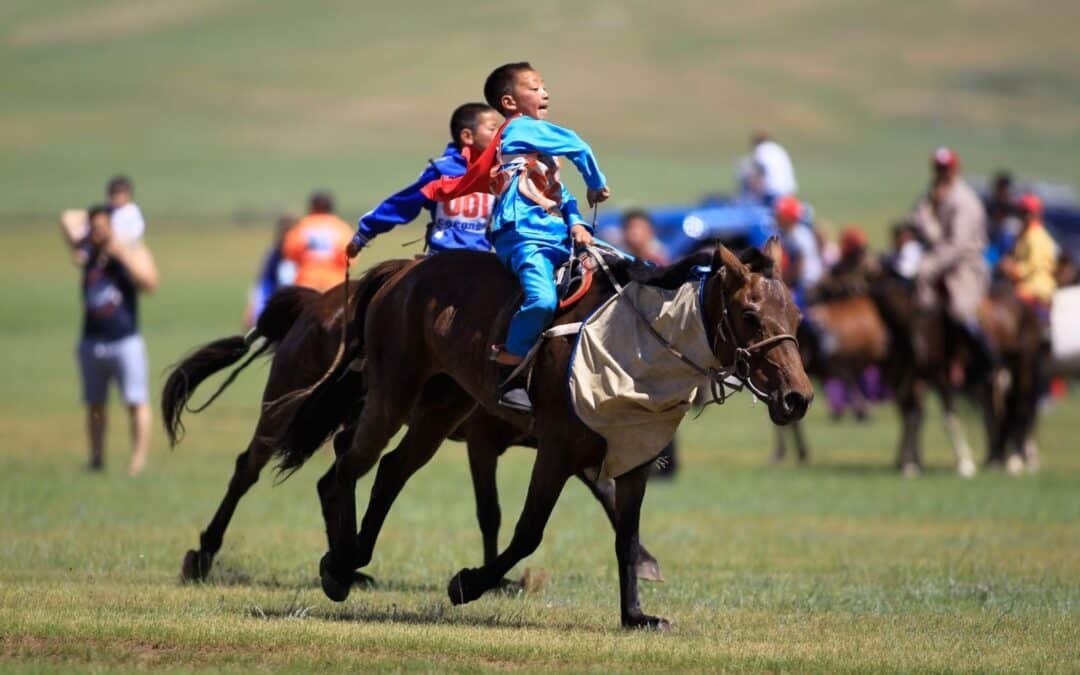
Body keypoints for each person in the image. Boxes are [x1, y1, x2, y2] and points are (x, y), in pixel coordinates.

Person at [420, 62, 609, 413]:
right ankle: (511, 370)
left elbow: (559, 193)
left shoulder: (535, 151)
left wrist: (577, 223)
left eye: (544, 86)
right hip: (524, 237)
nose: (545, 93)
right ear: (510, 102)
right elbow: (579, 146)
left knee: (622, 270)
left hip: (559, 238)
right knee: (541, 301)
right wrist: (596, 185)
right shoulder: (519, 130)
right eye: (535, 88)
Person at [347, 103, 501, 257]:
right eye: (493, 129)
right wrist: (364, 234)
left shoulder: (499, 170)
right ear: (467, 136)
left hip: (483, 257)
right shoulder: (440, 170)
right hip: (440, 257)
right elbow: (403, 204)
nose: (500, 135)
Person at [73, 205, 159, 475]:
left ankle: (138, 461)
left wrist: (122, 254)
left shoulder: (129, 253)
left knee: (136, 401)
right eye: (94, 227)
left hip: (125, 340)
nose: (98, 232)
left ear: (112, 227)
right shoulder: (88, 254)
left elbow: (150, 283)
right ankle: (96, 459)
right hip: (91, 340)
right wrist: (89, 237)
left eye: (102, 227)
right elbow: (67, 218)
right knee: (95, 405)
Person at [908, 147, 993, 369]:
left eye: (945, 168)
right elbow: (918, 220)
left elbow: (957, 244)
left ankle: (987, 359)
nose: (941, 172)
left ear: (955, 169)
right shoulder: (934, 195)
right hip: (940, 257)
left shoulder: (964, 200)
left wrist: (930, 265)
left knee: (959, 310)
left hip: (965, 264)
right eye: (938, 168)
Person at [281, 191, 354, 293]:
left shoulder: (302, 226)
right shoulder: (341, 228)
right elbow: (350, 257)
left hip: (306, 282)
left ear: (312, 206)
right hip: (334, 284)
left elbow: (289, 251)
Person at [1000, 193, 1059, 316]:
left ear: (1036, 214)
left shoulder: (1037, 236)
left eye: (1027, 212)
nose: (1024, 216)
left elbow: (1033, 265)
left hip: (1036, 288)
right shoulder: (1024, 235)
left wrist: (1014, 270)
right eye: (1022, 212)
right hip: (1023, 285)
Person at [244, 213, 297, 329]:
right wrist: (253, 308)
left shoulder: (303, 256)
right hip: (276, 307)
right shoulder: (274, 255)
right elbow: (264, 284)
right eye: (285, 232)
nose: (287, 237)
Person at [773, 196, 823, 309]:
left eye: (780, 215)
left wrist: (781, 281)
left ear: (789, 218)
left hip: (808, 283)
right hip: (799, 281)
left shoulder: (798, 237)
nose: (777, 217)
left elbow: (798, 268)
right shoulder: (787, 233)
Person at [748, 130, 797, 204]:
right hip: (789, 192)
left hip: (772, 193)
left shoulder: (761, 149)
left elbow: (759, 175)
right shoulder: (779, 149)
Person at [106, 175, 146, 248]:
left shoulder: (132, 211)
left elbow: (137, 231)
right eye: (114, 195)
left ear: (128, 195)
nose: (117, 198)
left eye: (120, 195)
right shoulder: (106, 210)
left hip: (128, 247)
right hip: (110, 246)